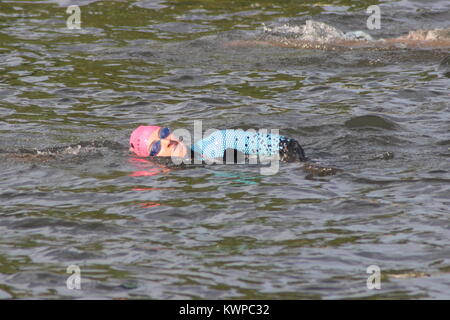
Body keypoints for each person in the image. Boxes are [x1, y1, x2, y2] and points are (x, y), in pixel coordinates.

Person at [129, 125, 307, 164]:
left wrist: (302, 169)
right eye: (155, 147)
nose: (167, 141)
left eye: (164, 133)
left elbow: (288, 145)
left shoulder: (219, 142)